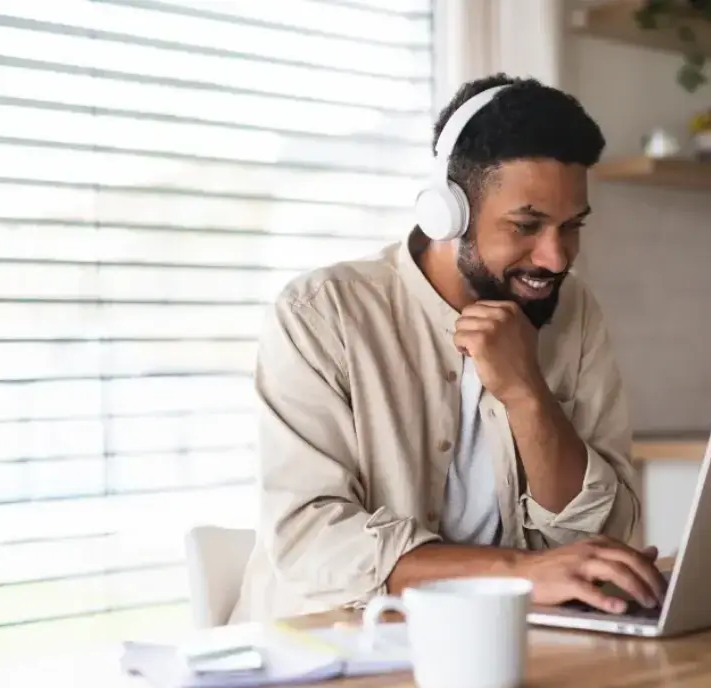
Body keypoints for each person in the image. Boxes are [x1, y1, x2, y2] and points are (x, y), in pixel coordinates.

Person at [231, 74, 666, 623]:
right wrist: (519, 573)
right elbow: (312, 541)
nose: (556, 258)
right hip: (326, 656)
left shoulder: (574, 313)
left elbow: (602, 534)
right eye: (527, 225)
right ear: (447, 212)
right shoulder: (322, 313)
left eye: (571, 227)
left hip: (514, 647)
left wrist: (527, 392)